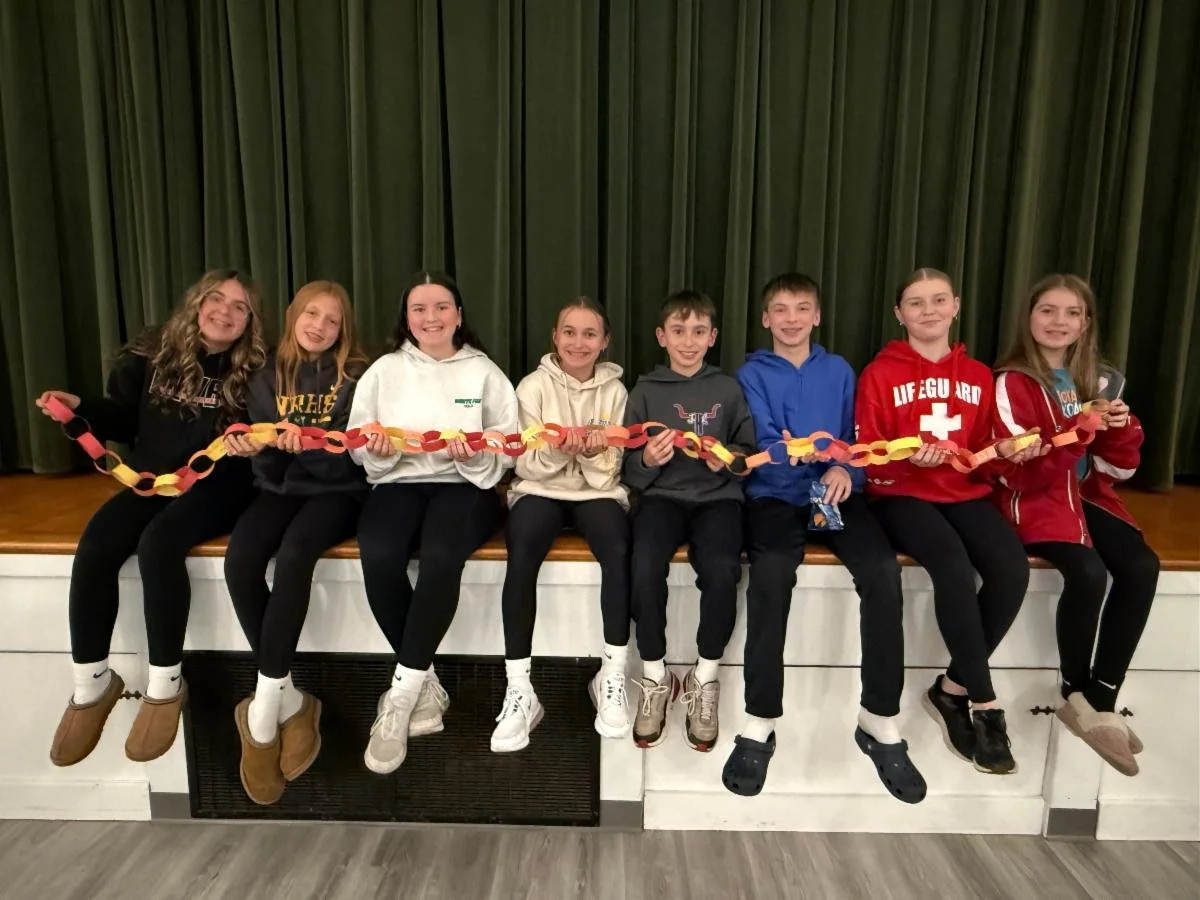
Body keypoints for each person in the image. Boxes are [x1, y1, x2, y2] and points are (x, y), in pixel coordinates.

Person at [41, 269, 265, 767]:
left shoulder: (257, 371)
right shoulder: (152, 355)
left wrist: (250, 441)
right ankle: (91, 683)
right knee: (97, 545)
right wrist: (79, 408)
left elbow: (261, 433)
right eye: (216, 299)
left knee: (159, 545)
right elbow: (122, 419)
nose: (225, 312)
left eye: (240, 307)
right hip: (152, 480)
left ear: (251, 322)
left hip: (219, 487)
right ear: (197, 302)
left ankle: (165, 684)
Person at [724, 273, 923, 802]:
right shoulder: (750, 373)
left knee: (881, 571)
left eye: (802, 308)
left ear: (817, 316)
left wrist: (844, 470)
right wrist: (787, 450)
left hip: (831, 494)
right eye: (780, 309)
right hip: (774, 495)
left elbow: (858, 438)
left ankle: (878, 717)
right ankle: (759, 721)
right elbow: (762, 437)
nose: (791, 318)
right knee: (770, 574)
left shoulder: (839, 371)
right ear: (765, 319)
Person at [855, 267, 1041, 776]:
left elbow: (984, 449)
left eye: (939, 300)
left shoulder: (978, 376)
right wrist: (906, 457)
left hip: (963, 493)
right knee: (952, 567)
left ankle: (952, 688)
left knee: (1011, 569)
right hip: (901, 494)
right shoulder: (879, 374)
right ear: (899, 314)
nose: (929, 310)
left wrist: (1005, 451)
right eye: (916, 302)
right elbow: (868, 451)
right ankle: (985, 703)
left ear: (956, 306)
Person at [348, 271, 518, 774]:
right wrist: (378, 451)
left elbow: (508, 445)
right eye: (419, 308)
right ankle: (425, 684)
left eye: (442, 307)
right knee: (379, 554)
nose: (431, 317)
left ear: (459, 316)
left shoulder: (484, 373)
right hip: (398, 484)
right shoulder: (383, 372)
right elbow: (358, 444)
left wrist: (474, 456)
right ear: (406, 318)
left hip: (465, 488)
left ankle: (400, 699)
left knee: (442, 558)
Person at [993, 273, 1158, 776]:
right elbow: (1015, 471)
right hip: (1038, 501)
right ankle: (1074, 691)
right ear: (1029, 317)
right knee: (1087, 572)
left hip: (1087, 498)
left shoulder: (1100, 381)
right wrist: (1075, 435)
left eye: (1072, 313)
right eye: (1047, 310)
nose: (1058, 322)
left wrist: (1121, 429)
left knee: (1142, 566)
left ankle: (1103, 697)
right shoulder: (1011, 381)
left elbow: (1117, 470)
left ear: (1086, 323)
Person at [223, 280, 369, 803]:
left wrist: (303, 446)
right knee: (240, 560)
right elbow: (261, 450)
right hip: (279, 487)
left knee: (295, 556)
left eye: (332, 320)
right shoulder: (265, 374)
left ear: (344, 330)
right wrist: (252, 445)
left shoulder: (357, 377)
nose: (319, 326)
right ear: (293, 316)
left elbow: (351, 455)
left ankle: (262, 709)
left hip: (338, 492)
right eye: (311, 314)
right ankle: (290, 699)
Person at [491, 297, 632, 752]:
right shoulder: (532, 387)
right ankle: (519, 688)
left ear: (604, 341)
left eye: (590, 334)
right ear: (555, 337)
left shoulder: (616, 393)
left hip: (595, 492)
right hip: (540, 489)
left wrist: (590, 453)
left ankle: (611, 675)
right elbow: (525, 462)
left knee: (618, 548)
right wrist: (558, 450)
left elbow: (609, 472)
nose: (578, 342)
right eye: (569, 332)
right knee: (522, 549)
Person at [623, 290, 756, 752]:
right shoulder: (644, 392)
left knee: (721, 570)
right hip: (661, 499)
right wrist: (647, 459)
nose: (688, 341)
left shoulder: (728, 389)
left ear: (712, 337)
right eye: (678, 331)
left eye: (698, 331)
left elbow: (747, 453)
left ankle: (706, 676)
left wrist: (729, 460)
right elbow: (628, 469)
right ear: (661, 337)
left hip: (718, 501)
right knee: (643, 566)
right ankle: (655, 675)